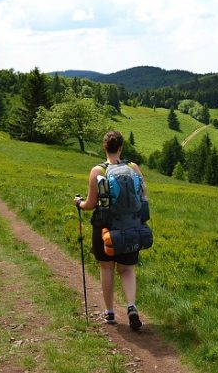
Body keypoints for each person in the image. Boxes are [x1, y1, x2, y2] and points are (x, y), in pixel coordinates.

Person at [73, 131, 146, 330]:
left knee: (107, 268)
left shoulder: (98, 171)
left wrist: (79, 203)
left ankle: (110, 313)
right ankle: (131, 306)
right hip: (130, 225)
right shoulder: (133, 167)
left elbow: (90, 203)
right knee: (127, 269)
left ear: (104, 147)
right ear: (121, 148)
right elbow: (143, 195)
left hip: (104, 227)